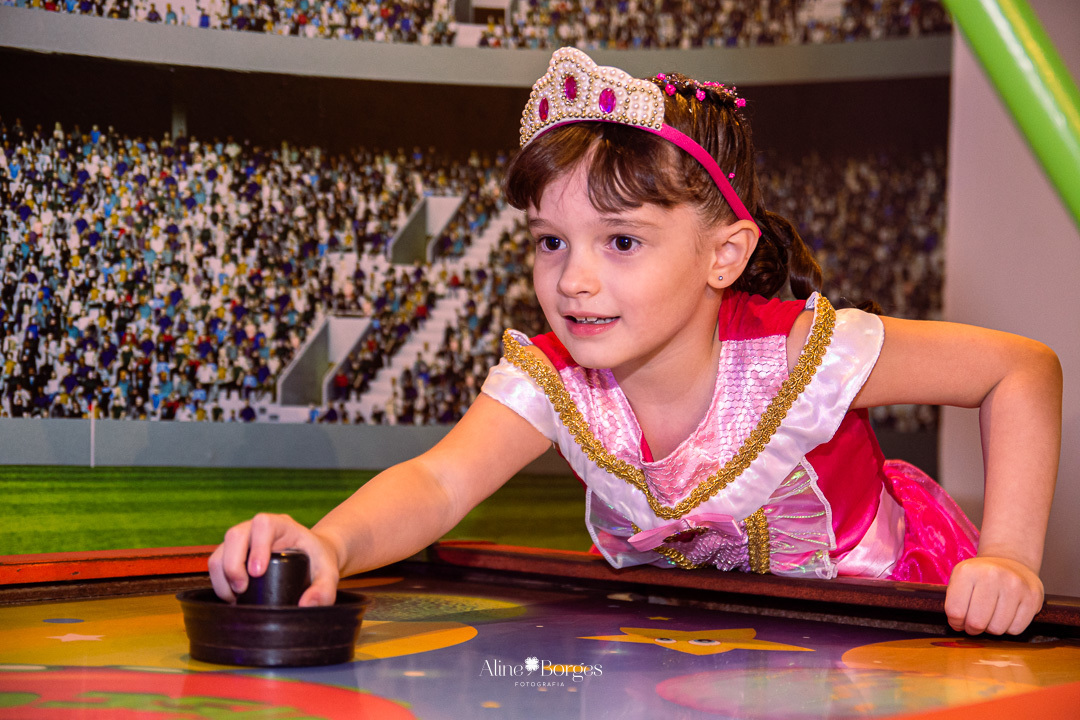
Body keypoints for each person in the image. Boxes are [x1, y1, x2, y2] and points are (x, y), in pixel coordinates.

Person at [209, 48, 1061, 636]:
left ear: (725, 254)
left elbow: (1021, 370)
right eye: (551, 241)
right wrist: (328, 543)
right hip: (681, 651)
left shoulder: (802, 354)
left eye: (620, 241)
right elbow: (437, 482)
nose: (573, 280)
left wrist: (1013, 558)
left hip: (868, 640)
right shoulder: (555, 377)